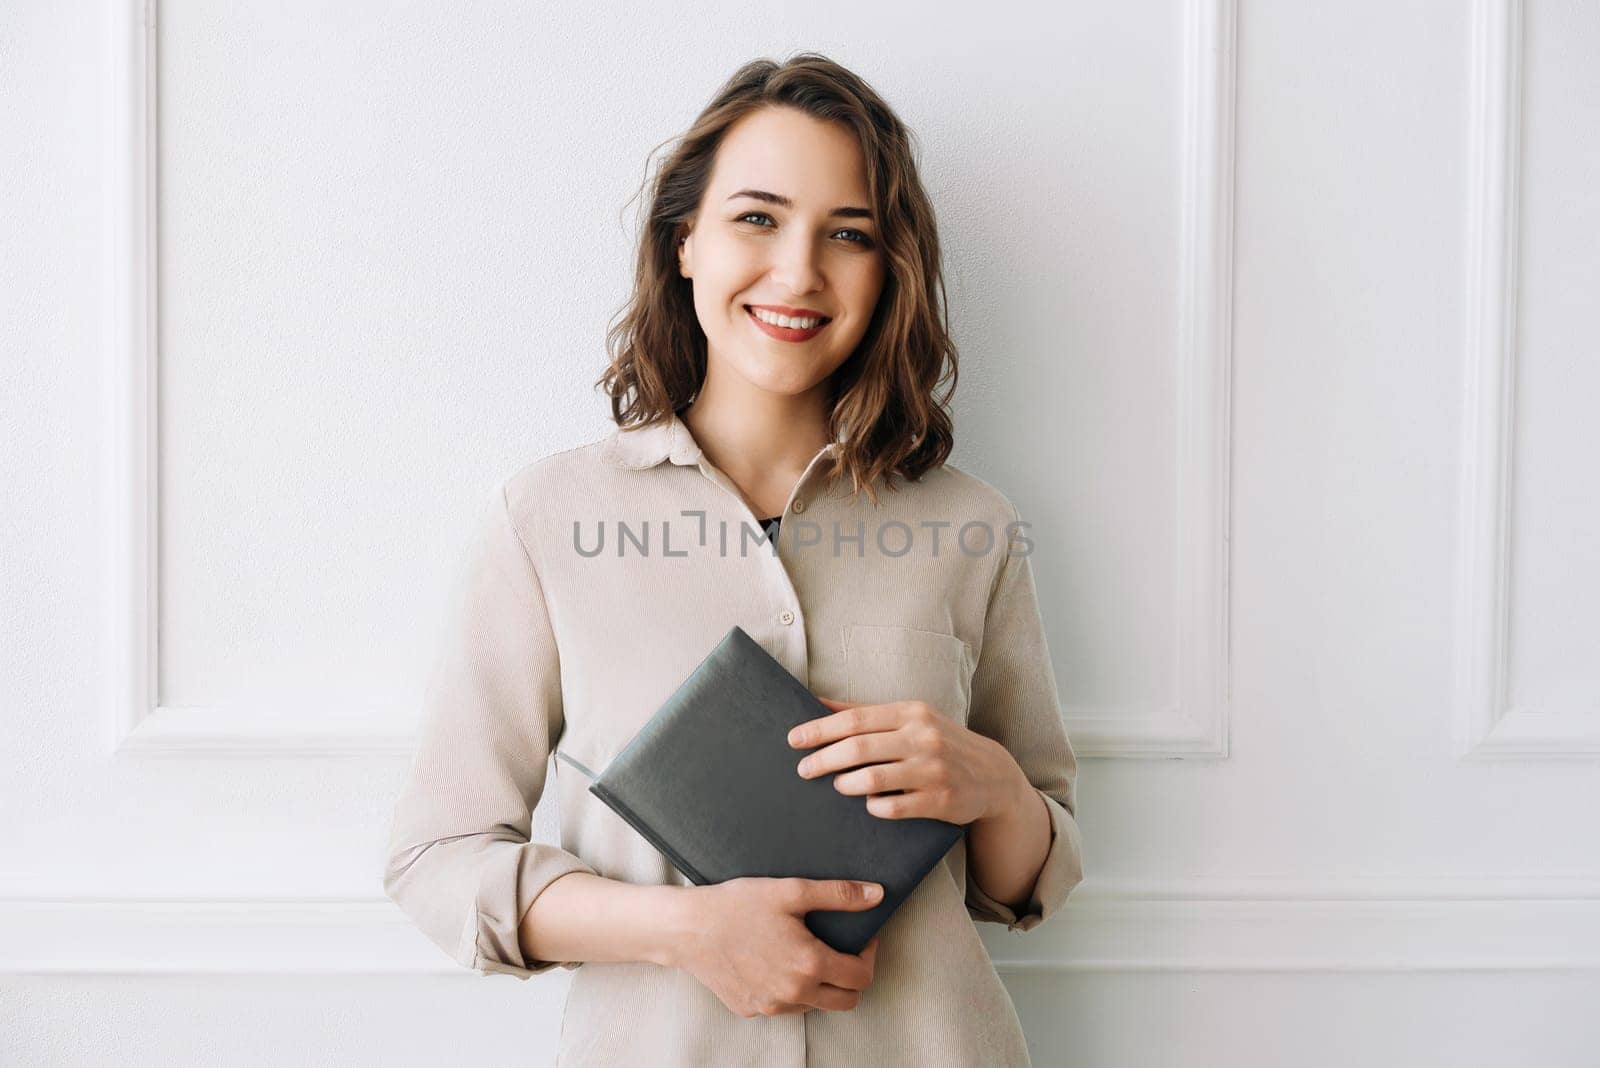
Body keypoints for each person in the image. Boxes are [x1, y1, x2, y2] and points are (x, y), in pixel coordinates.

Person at [383, 53, 1083, 1067]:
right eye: (757, 217)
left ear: (889, 272)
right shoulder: (545, 518)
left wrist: (996, 789)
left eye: (848, 235)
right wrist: (681, 932)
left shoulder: (969, 526)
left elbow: (1031, 878)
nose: (799, 272)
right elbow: (436, 862)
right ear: (684, 244)